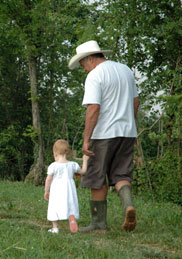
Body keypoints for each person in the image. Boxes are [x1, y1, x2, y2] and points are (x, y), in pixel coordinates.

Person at [68, 40, 140, 232]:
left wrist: (86, 140)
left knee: (97, 176)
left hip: (103, 135)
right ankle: (128, 206)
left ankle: (99, 224)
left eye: (83, 64)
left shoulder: (95, 75)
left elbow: (93, 108)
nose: (84, 69)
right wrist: (129, 123)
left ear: (90, 58)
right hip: (127, 132)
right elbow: (136, 100)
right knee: (121, 174)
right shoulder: (125, 70)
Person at [44, 139, 89, 234]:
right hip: (69, 189)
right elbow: (83, 171)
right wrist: (85, 160)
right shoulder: (72, 164)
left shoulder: (53, 166)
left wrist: (46, 191)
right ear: (68, 152)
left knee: (54, 206)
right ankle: (71, 216)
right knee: (70, 203)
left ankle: (55, 228)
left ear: (55, 153)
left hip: (57, 189)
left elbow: (48, 179)